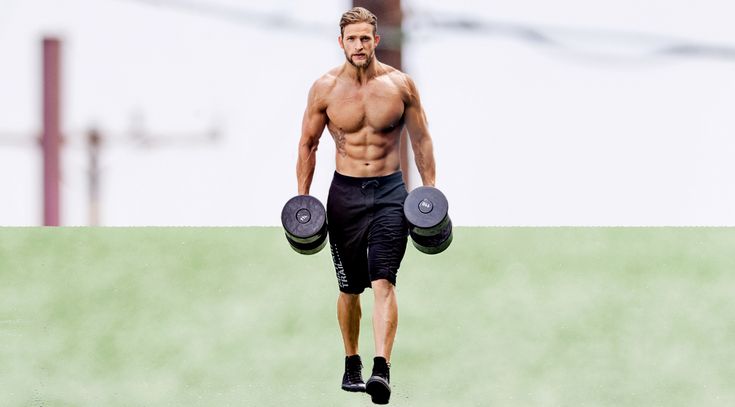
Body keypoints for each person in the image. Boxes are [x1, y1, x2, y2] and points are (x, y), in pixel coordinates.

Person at [295, 6, 436, 405]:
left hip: (391, 192)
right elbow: (308, 143)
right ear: (341, 43)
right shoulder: (324, 89)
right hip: (344, 194)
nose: (358, 45)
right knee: (350, 288)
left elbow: (422, 139)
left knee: (383, 281)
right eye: (351, 39)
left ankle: (381, 370)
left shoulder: (400, 86)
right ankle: (352, 361)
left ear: (376, 41)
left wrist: (430, 191)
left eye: (365, 38)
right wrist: (304, 197)